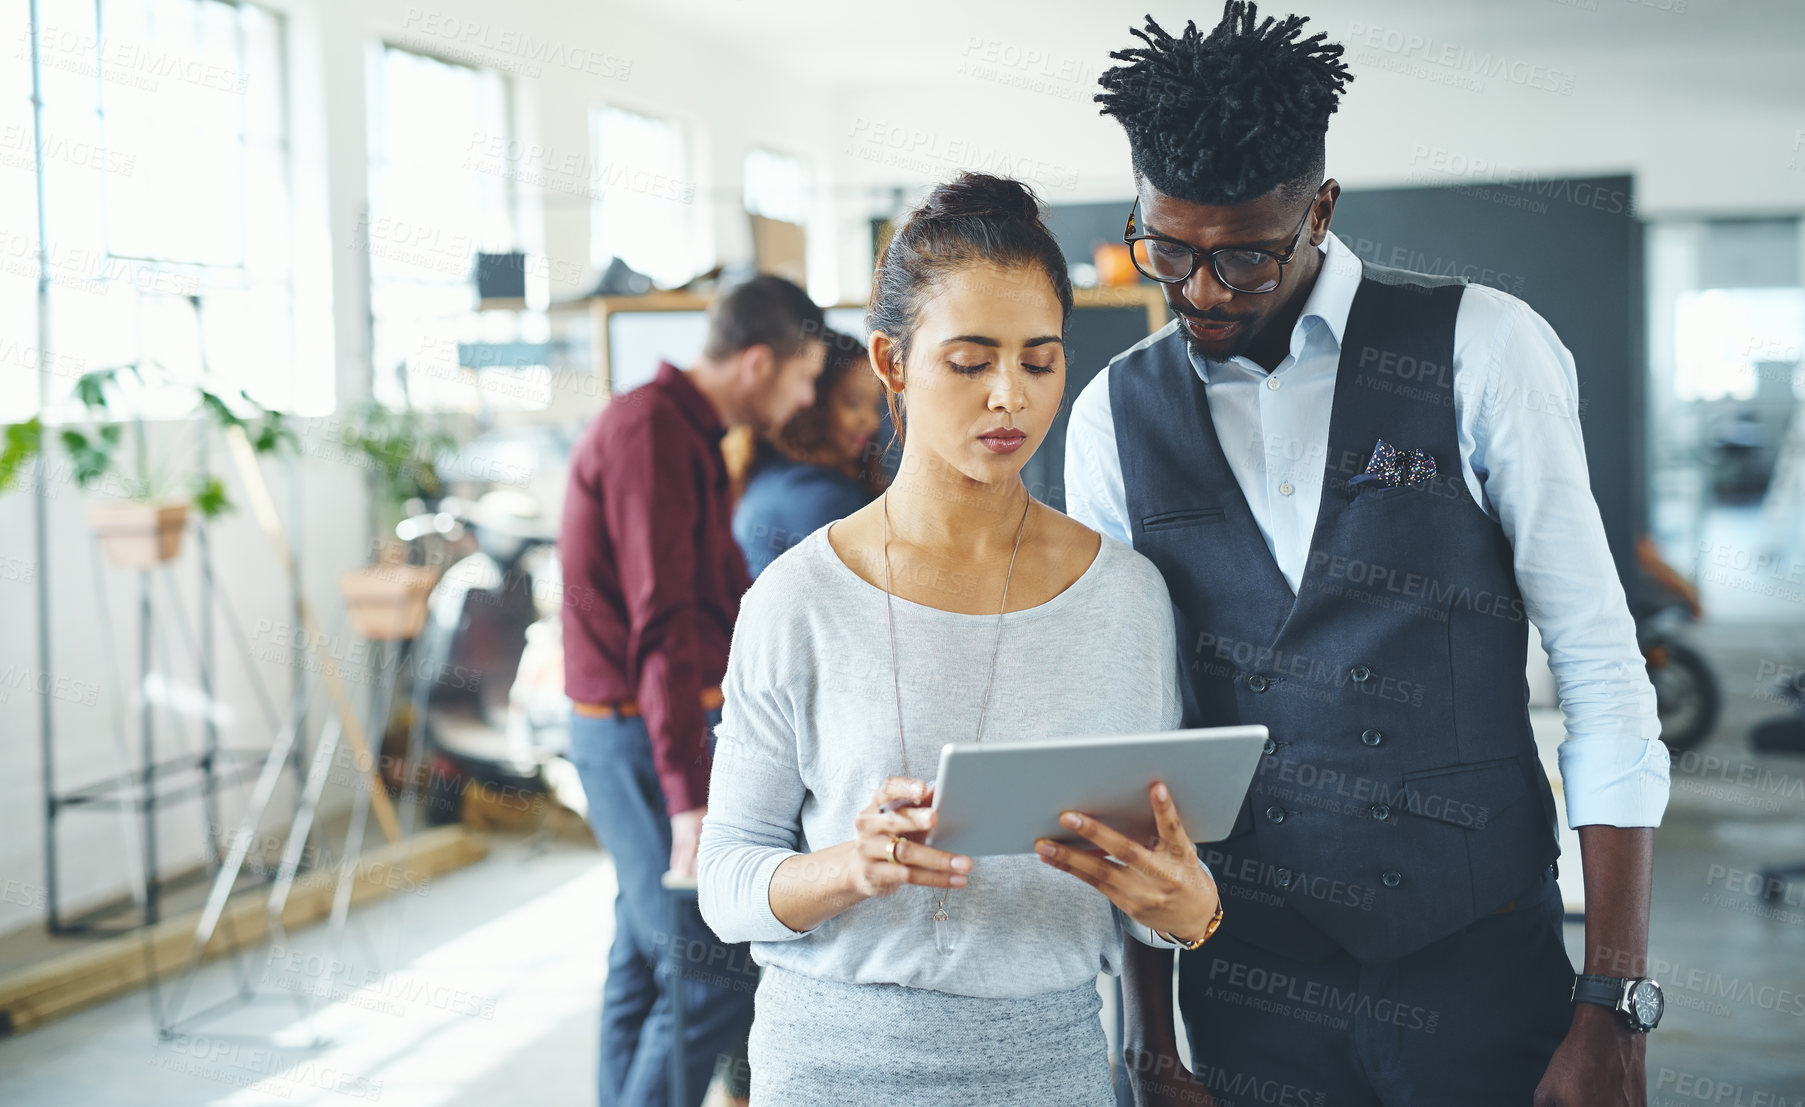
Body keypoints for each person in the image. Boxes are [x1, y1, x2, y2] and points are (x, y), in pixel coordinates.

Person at [1068, 5, 1671, 1105]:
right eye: (1168, 250)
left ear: (1320, 211)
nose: (1201, 292)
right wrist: (1148, 1041)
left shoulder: (1483, 347)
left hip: (1475, 961)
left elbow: (1596, 664)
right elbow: (1130, 740)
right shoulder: (1115, 412)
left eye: (1243, 257)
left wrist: (1612, 999)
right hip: (1242, 973)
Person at [696, 172, 1224, 1107]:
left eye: (1038, 360)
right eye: (970, 361)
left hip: (1047, 1064)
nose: (1008, 398)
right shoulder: (798, 598)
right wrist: (848, 867)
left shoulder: (1126, 598)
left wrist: (1189, 911)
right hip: (828, 1066)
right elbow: (727, 883)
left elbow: (1145, 879)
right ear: (892, 364)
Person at [558, 273, 826, 1107]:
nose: (806, 396)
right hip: (639, 739)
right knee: (705, 974)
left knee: (640, 959)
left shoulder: (685, 431)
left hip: (645, 732)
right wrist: (687, 800)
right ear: (757, 362)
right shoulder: (652, 435)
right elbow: (663, 626)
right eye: (804, 376)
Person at [732, 327, 888, 579]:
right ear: (812, 401)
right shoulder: (818, 497)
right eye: (853, 403)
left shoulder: (774, 471)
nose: (871, 422)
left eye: (874, 405)